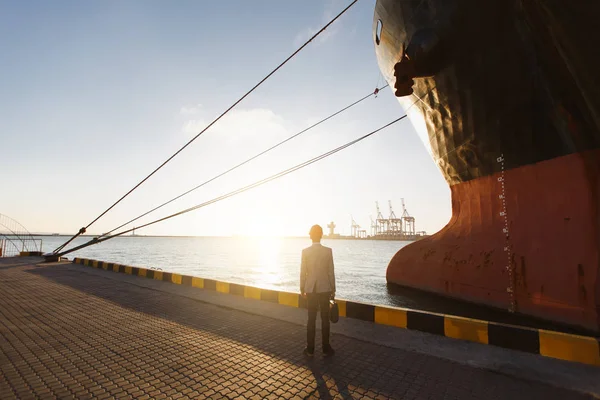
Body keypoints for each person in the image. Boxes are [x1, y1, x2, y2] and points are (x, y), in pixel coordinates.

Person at [300, 224, 336, 357]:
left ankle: (310, 349)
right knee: (325, 319)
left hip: (310, 289)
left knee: (311, 319)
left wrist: (302, 287)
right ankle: (326, 348)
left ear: (310, 236)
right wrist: (333, 289)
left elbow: (303, 272)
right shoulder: (328, 251)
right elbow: (330, 272)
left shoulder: (305, 251)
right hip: (325, 288)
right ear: (321, 235)